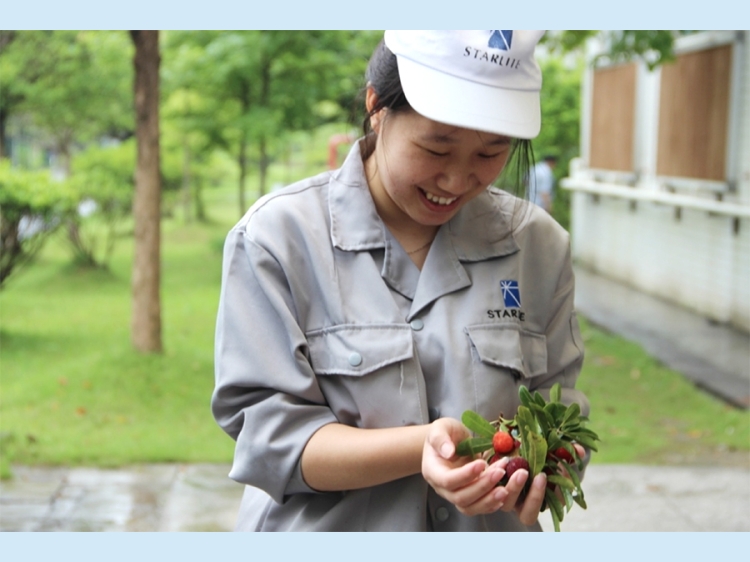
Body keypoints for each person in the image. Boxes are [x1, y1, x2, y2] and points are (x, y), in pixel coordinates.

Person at [212, 30, 589, 532]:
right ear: (377, 107)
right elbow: (270, 440)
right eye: (436, 149)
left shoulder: (538, 246)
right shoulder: (277, 238)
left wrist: (547, 472)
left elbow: (561, 416)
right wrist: (424, 448)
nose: (457, 181)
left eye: (489, 154)